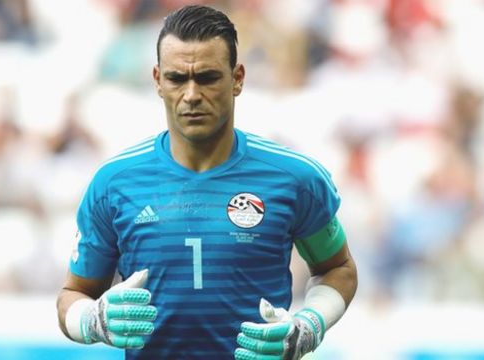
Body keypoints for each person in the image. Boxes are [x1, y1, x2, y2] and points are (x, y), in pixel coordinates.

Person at [56, 5, 357, 360]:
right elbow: (72, 294)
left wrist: (309, 325)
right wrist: (92, 320)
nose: (192, 94)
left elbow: (338, 269)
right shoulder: (115, 182)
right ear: (157, 80)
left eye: (209, 77)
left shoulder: (295, 178)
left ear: (238, 78)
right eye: (177, 78)